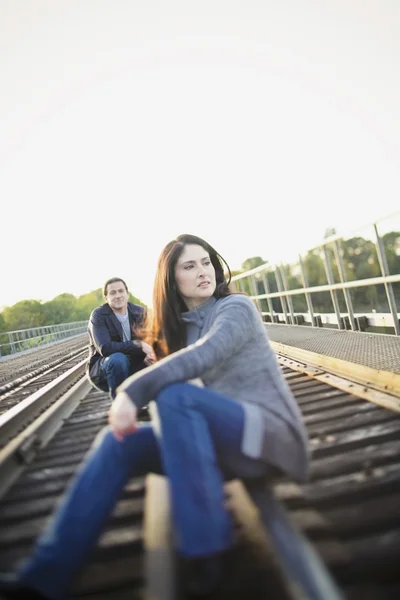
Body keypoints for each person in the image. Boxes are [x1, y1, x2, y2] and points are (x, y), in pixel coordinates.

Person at [0, 234, 309, 600]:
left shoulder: (236, 308)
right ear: (171, 279)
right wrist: (154, 356)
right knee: (118, 445)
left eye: (206, 262)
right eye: (189, 266)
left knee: (178, 394)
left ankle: (207, 550)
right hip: (222, 442)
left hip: (267, 436)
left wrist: (131, 392)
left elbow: (203, 357)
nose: (202, 272)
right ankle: (43, 579)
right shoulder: (178, 326)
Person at [86, 277, 155, 398]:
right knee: (118, 359)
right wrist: (139, 344)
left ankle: (150, 402)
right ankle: (120, 404)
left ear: (127, 294)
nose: (118, 296)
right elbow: (105, 348)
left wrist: (150, 355)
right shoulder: (99, 315)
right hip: (106, 369)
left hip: (137, 364)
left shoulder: (139, 312)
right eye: (113, 293)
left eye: (121, 291)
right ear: (106, 298)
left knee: (160, 355)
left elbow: (153, 338)